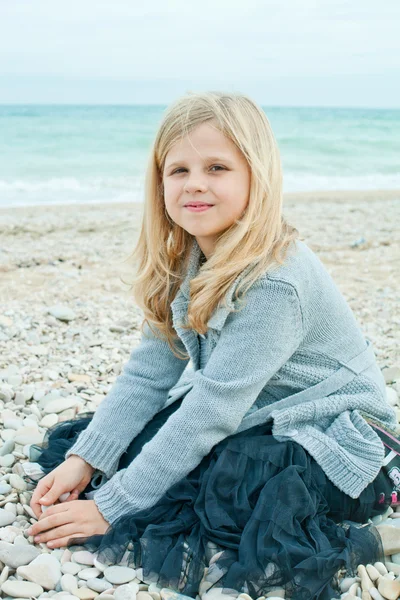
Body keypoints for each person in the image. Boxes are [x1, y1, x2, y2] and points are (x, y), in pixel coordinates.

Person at [27, 91, 398, 600]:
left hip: (334, 433)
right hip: (258, 411)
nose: (194, 183)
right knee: (129, 449)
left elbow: (211, 410)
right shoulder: (185, 258)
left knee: (232, 490)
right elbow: (148, 375)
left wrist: (110, 508)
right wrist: (87, 461)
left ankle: (361, 541)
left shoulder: (275, 282)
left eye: (217, 167)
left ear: (256, 178)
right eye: (178, 170)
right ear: (159, 183)